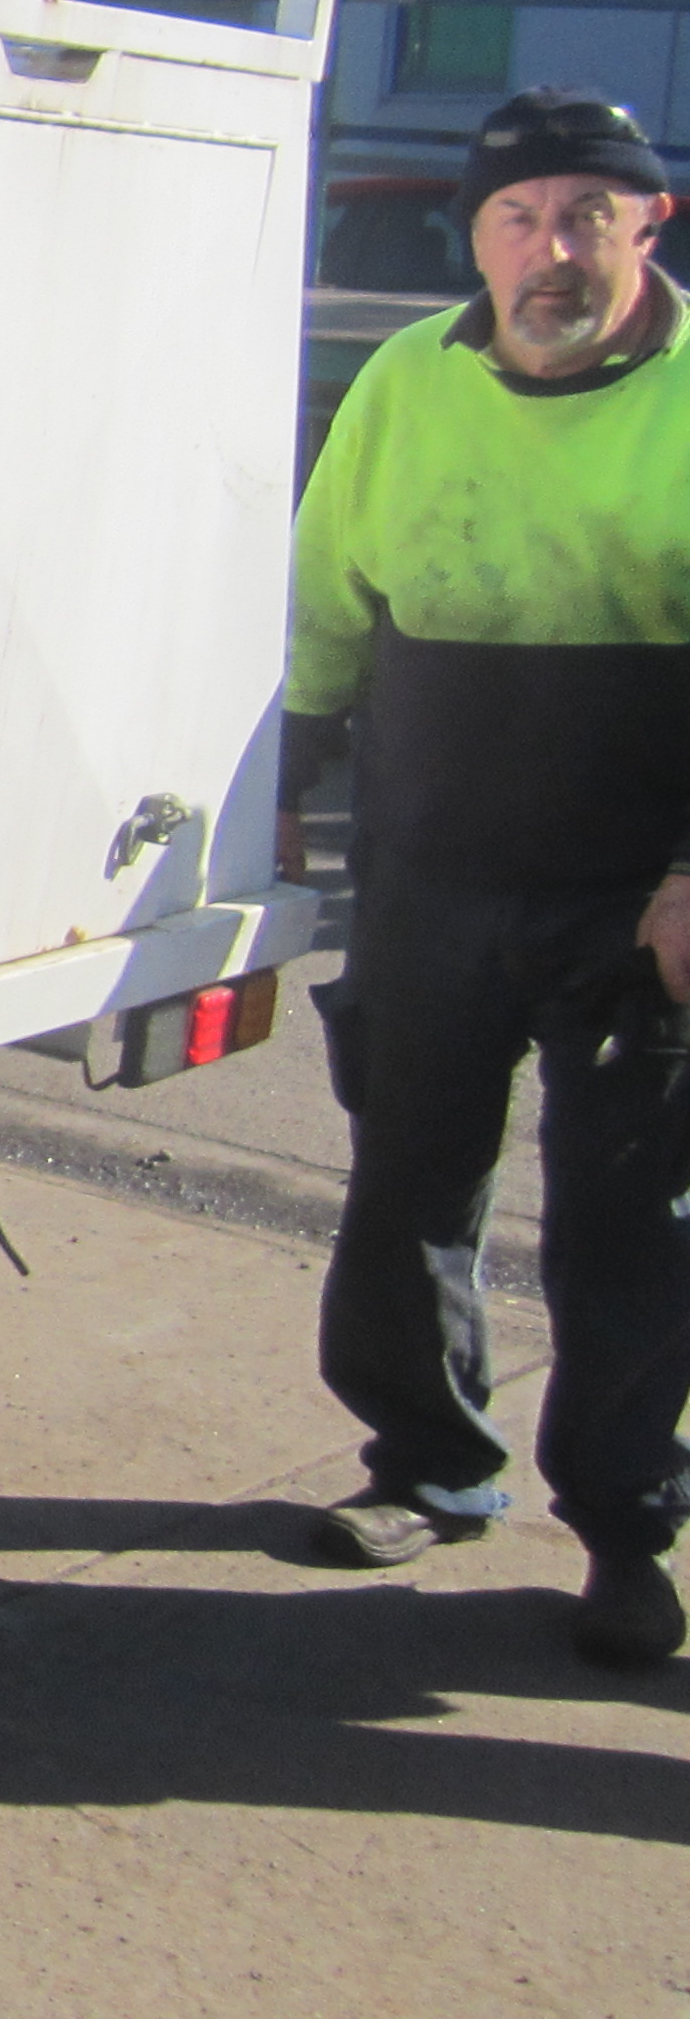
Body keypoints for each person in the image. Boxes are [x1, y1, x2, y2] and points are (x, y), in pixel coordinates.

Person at [281, 85, 690, 1667]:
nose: (552, 248)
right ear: (479, 234)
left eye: (590, 212)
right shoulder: (408, 378)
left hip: (633, 897)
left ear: (647, 224)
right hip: (433, 869)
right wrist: (292, 772)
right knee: (406, 1187)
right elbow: (330, 586)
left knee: (630, 1227)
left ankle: (628, 1531)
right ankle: (433, 1468)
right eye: (521, 217)